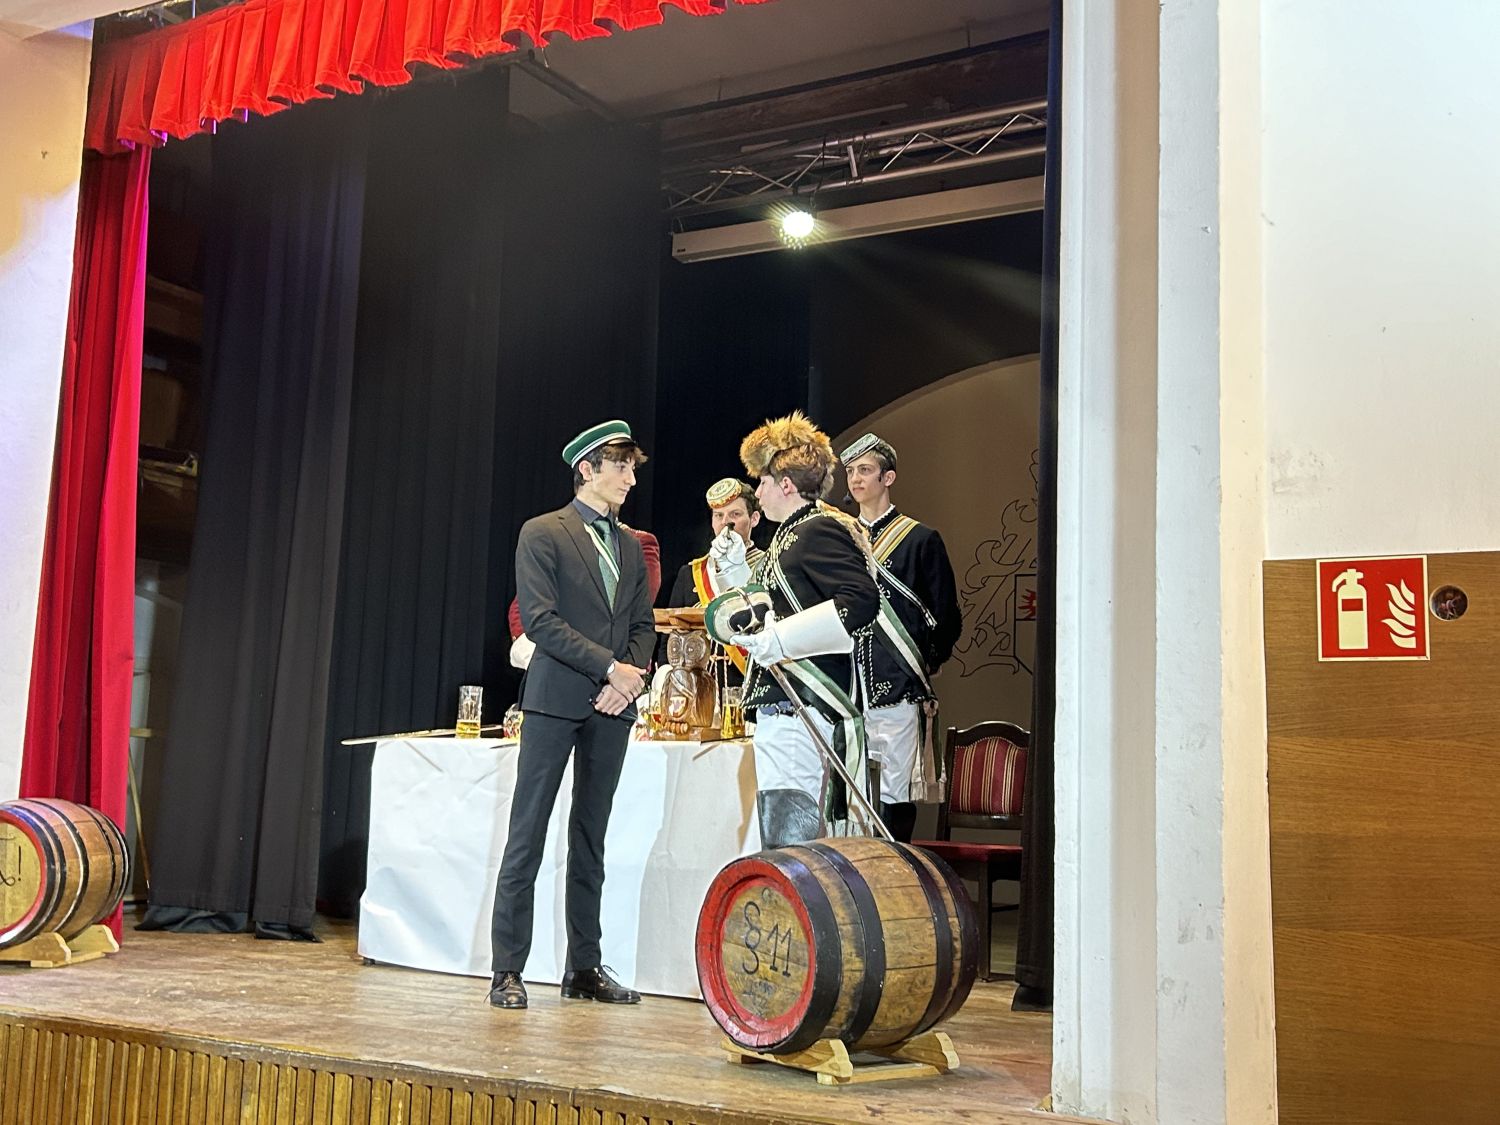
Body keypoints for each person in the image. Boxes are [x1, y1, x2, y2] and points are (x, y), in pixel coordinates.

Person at [488, 420, 655, 1011]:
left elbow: (643, 624)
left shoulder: (630, 545)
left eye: (632, 468)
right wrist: (611, 669)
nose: (630, 479)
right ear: (587, 468)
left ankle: (583, 967)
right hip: (555, 699)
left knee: (591, 838)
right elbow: (540, 621)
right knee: (527, 834)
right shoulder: (542, 532)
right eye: (621, 467)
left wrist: (627, 680)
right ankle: (507, 969)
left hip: (613, 707)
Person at [718, 411, 880, 847]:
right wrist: (736, 575)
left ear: (786, 485)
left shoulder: (816, 529)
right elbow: (774, 611)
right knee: (785, 835)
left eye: (763, 483)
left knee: (791, 841)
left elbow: (861, 601)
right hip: (787, 704)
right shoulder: (789, 535)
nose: (758, 493)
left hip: (801, 705)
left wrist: (781, 640)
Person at [841, 433, 961, 843]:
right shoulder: (840, 540)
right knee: (849, 797)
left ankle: (894, 871)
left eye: (865, 470)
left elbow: (946, 615)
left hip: (899, 688)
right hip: (847, 687)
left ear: (888, 477)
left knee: (894, 794)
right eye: (851, 471)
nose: (856, 479)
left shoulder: (920, 539)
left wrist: (927, 661)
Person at [660, 478, 765, 680]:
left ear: (754, 519)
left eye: (735, 514)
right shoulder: (690, 573)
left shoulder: (767, 565)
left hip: (746, 680)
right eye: (719, 515)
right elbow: (670, 636)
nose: (726, 522)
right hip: (696, 685)